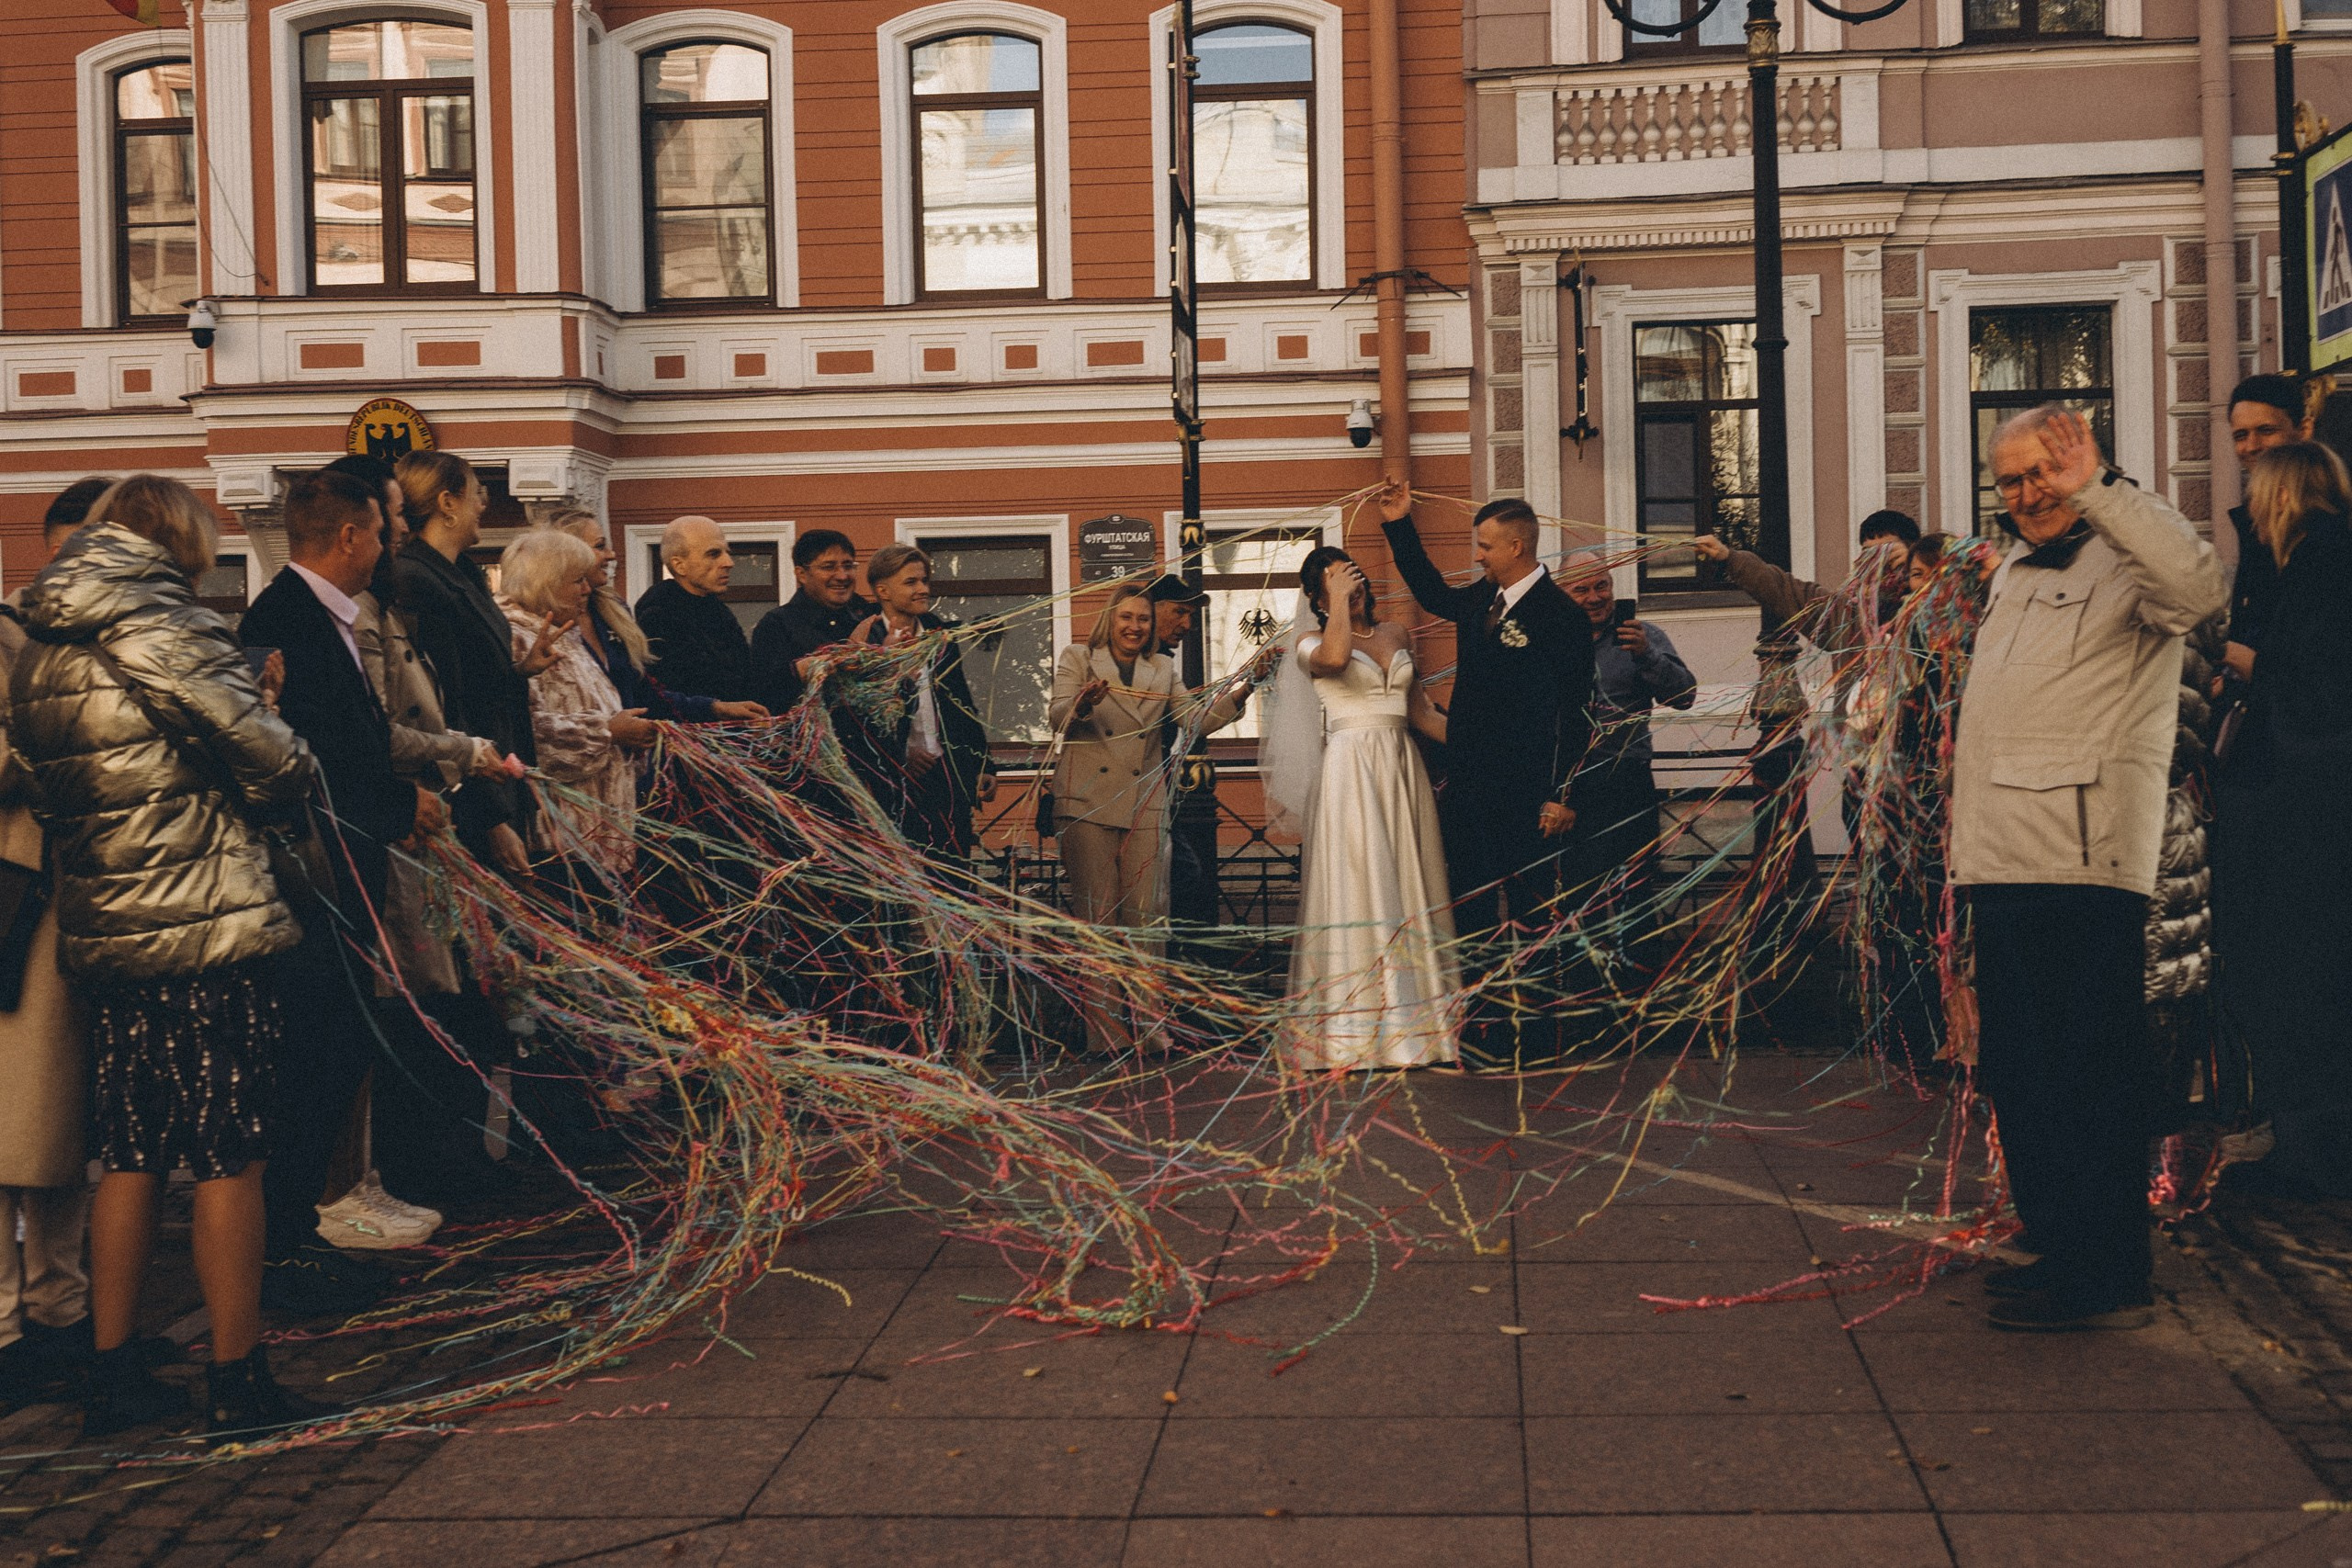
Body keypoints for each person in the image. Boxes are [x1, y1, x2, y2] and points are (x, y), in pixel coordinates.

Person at [8, 475, 336, 1436]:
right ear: (181, 540)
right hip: (205, 919)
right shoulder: (168, 622)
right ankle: (237, 1375)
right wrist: (274, 723)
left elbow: (45, 781)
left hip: (104, 923)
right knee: (230, 1149)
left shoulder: (45, 639)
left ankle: (112, 1372)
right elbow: (274, 761)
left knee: (131, 1148)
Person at [1949, 407, 2224, 1332]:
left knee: (2088, 1075)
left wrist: (2100, 491)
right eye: (2011, 481)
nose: (2028, 495)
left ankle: (2107, 1274)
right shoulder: (2014, 572)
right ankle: (2060, 1244)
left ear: (2084, 466)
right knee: (2023, 1074)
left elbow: (2196, 589)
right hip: (2003, 853)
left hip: (2082, 856)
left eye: (2043, 473)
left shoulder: (2129, 554)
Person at [241, 468, 453, 1294]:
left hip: (347, 864)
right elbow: (307, 751)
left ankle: (295, 1234)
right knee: (315, 1056)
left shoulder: (334, 615)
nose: (393, 542)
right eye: (384, 529)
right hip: (315, 875)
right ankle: (284, 1243)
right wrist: (399, 803)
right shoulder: (283, 619)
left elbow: (355, 736)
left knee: (338, 1051)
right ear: (349, 535)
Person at [328, 454, 514, 1220]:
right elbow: (380, 728)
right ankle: (409, 1169)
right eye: (390, 518)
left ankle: (441, 1158)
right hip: (403, 820)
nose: (398, 532)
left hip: (438, 806)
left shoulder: (406, 597)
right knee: (416, 1001)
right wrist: (467, 757)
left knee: (447, 991)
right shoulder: (390, 600)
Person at [1378, 482, 1594, 1066]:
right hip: (1470, 787)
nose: (1478, 556)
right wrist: (1399, 524)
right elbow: (1431, 592)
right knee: (1472, 911)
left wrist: (1563, 794)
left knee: (1531, 915)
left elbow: (1577, 713)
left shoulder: (1562, 616)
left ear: (1517, 546)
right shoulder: (1481, 600)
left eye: (1486, 546)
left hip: (1529, 793)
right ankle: (1480, 1034)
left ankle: (1538, 1039)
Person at [2214, 442, 2352, 1196]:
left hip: (2305, 798)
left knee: (2297, 971)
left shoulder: (2320, 564)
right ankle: (2304, 1140)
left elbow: (2317, 678)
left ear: (2284, 497)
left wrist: (2244, 659)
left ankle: (2311, 1150)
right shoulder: (2317, 560)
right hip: (2308, 793)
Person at [1261, 547, 1459, 1068]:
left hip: (1401, 766)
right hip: (1351, 772)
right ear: (1316, 597)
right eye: (1334, 581)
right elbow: (1335, 660)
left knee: (1409, 881)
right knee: (1361, 883)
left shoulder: (1396, 633)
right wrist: (1339, 606)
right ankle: (1355, 1033)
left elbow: (1420, 713)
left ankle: (1420, 1025)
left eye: (1353, 575)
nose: (1351, 585)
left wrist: (1482, 743)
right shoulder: (1308, 643)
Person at [0, 481, 106, 1408]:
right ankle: (6, 1323)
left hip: (73, 895)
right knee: (14, 1120)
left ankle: (61, 1306)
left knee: (65, 1119)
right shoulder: (14, 636)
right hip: (16, 895)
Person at [1048, 584, 1246, 1051]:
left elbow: (1196, 720)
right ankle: (1107, 1037)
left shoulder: (1162, 669)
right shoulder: (1079, 657)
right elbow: (1058, 716)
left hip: (1144, 804)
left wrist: (1246, 689)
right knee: (1100, 921)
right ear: (1110, 619)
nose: (1135, 627)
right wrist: (1083, 703)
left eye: (1142, 619)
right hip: (1087, 805)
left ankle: (1151, 1031)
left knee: (1147, 919)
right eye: (1126, 617)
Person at [1692, 509, 1919, 890]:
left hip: (1920, 779)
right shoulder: (1847, 616)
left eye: (1889, 552)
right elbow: (1785, 590)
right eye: (1869, 555)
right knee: (1878, 884)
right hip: (1863, 776)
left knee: (1924, 884)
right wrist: (1729, 558)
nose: (1879, 566)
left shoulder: (1936, 610)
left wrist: (1927, 567)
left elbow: (1972, 589)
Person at [393, 452, 555, 880]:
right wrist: (491, 818)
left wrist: (521, 670)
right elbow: (445, 707)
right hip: (469, 795)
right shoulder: (416, 580)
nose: (483, 505)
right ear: (447, 503)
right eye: (475, 493)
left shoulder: (462, 573)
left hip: (499, 772)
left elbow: (479, 681)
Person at [1558, 550, 1697, 926]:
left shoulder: (1642, 636)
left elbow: (1684, 696)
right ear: (1562, 593)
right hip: (1568, 789)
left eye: (1601, 586)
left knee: (1635, 897)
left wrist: (1646, 655)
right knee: (1576, 896)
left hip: (1626, 783)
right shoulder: (1550, 639)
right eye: (1581, 590)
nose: (1594, 597)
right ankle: (1584, 963)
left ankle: (1637, 963)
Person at [502, 528, 642, 881]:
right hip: (561, 843)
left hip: (601, 841)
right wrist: (608, 732)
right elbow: (524, 737)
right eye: (577, 580)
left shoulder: (565, 635)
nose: (587, 589)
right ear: (547, 583)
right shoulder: (516, 638)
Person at [543, 510, 768, 727]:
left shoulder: (612, 612)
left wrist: (718, 708)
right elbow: (541, 721)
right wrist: (609, 731)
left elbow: (643, 691)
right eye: (713, 554)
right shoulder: (658, 612)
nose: (729, 562)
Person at [846, 543, 993, 857]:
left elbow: (961, 702)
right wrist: (900, 753)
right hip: (894, 783)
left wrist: (983, 763)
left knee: (954, 870)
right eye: (911, 582)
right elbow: (859, 717)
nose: (923, 589)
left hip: (947, 775)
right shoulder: (864, 639)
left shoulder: (939, 634)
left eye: (924, 580)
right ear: (883, 591)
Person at [2220, 374, 2308, 690]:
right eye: (2240, 435)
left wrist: (2231, 654)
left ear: (2304, 430)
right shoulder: (2253, 523)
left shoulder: (2326, 524)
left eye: (2266, 431)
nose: (2252, 446)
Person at [633, 516, 755, 705]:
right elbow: (668, 696)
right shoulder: (658, 617)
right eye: (713, 554)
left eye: (727, 552)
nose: (729, 562)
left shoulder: (719, 612)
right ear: (679, 565)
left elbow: (746, 679)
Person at [752, 529, 874, 713]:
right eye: (829, 567)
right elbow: (762, 698)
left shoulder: (867, 618)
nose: (842, 576)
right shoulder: (776, 626)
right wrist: (798, 673)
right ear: (801, 574)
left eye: (848, 566)